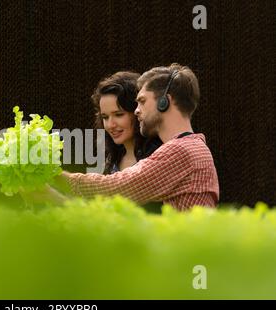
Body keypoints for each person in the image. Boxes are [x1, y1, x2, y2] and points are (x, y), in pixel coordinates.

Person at [48, 63, 220, 211]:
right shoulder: (192, 146)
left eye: (143, 101)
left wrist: (53, 175)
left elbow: (118, 187)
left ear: (164, 102)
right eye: (105, 117)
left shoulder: (181, 151)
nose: (137, 110)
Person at [19, 70, 162, 206]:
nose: (110, 125)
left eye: (119, 114)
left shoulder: (158, 156)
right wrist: (47, 195)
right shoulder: (112, 159)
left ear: (138, 112)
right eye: (105, 117)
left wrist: (53, 176)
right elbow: (100, 214)